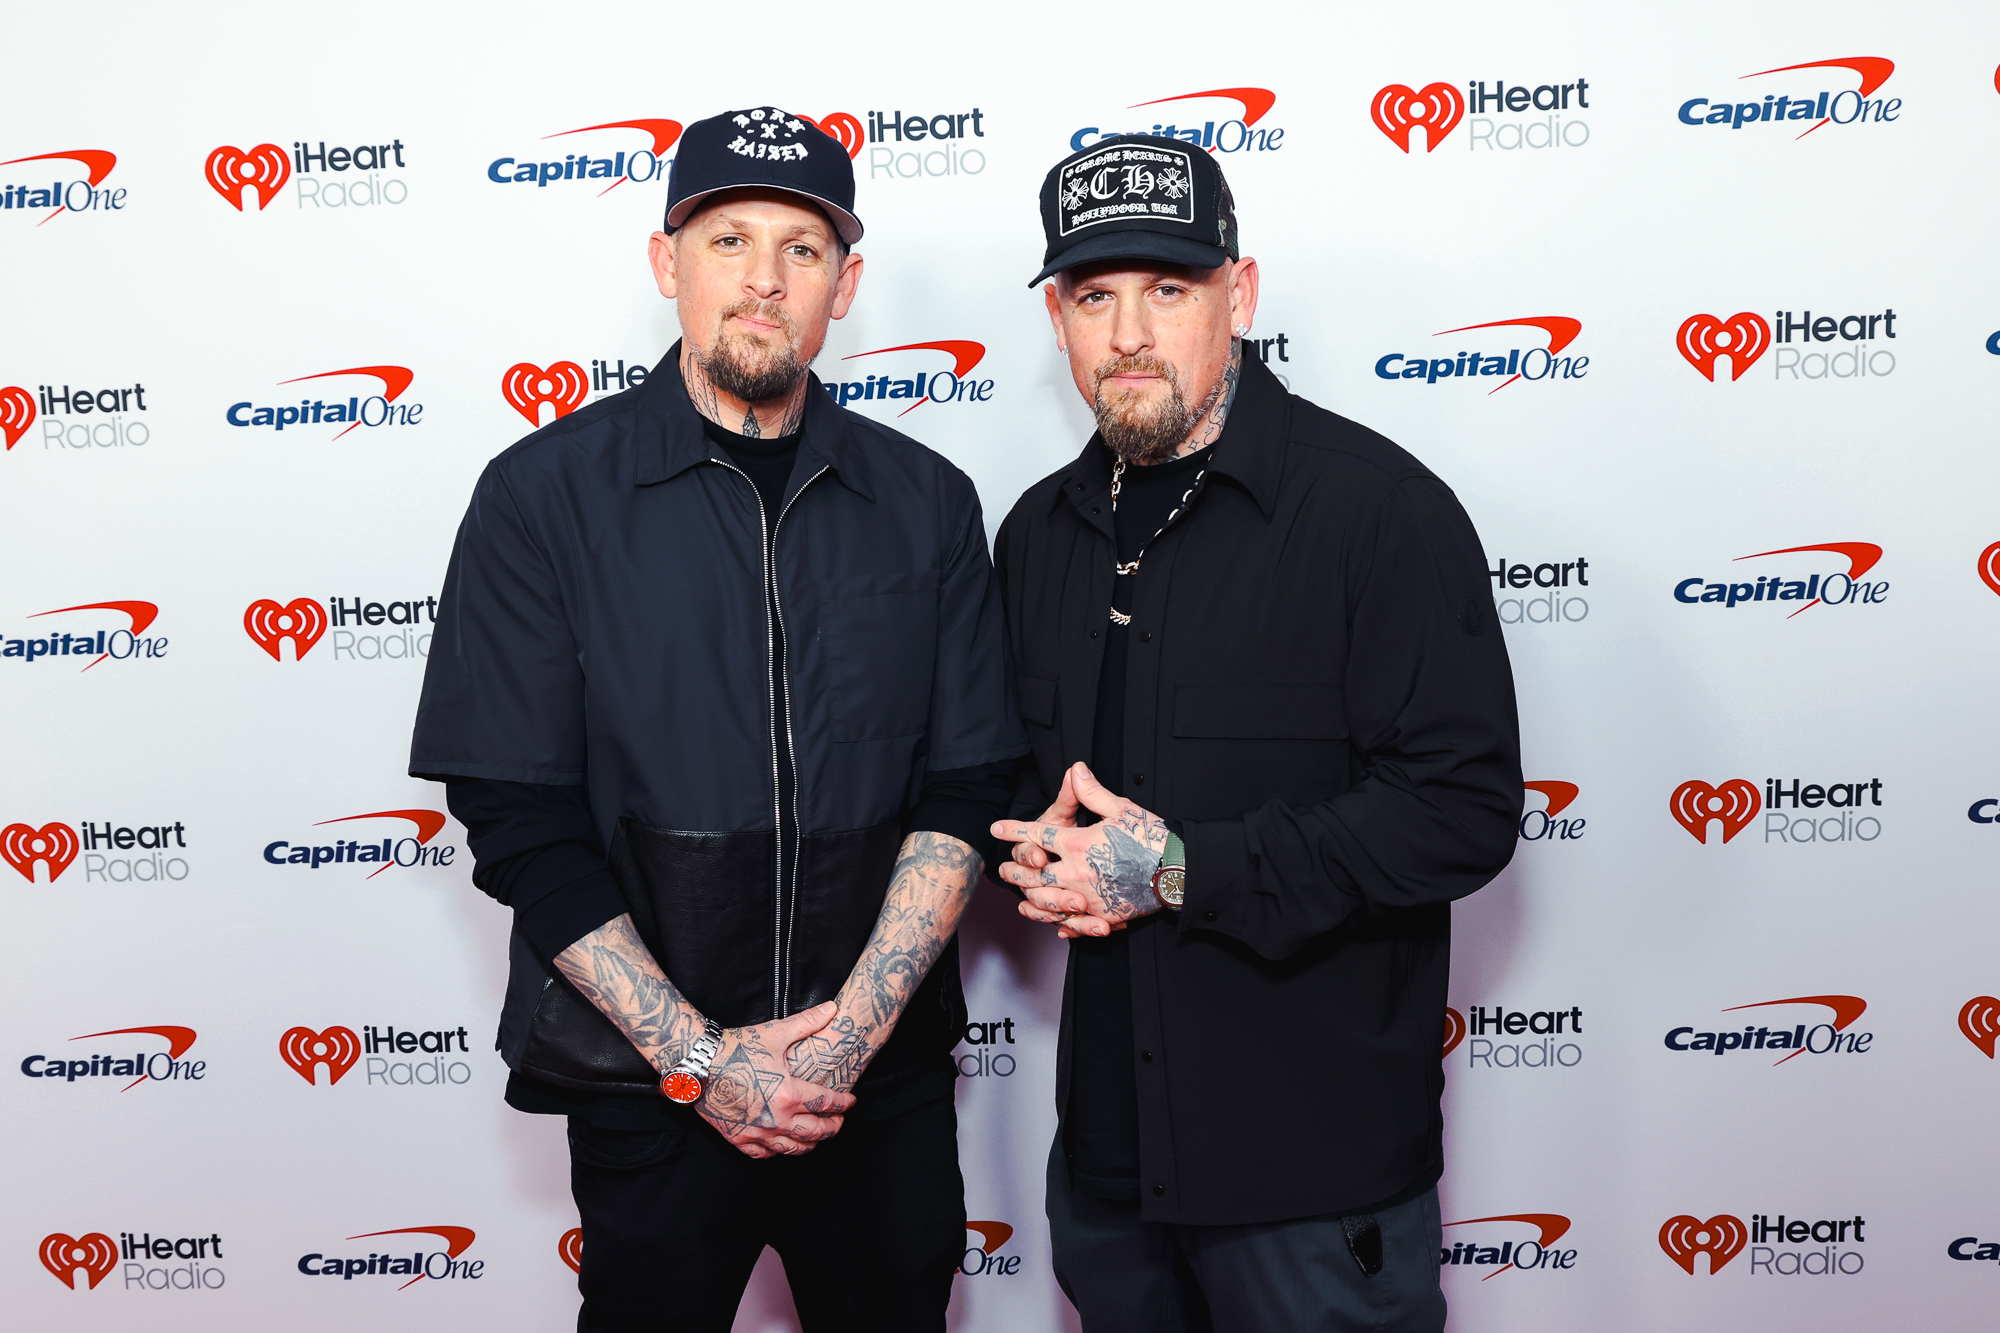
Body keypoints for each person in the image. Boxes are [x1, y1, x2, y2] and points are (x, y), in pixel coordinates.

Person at [409, 106, 1024, 1332]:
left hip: (876, 1087)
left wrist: (841, 1043)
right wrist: (702, 1059)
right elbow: (516, 813)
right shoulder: (541, 495)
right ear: (666, 263)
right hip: (649, 1086)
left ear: (844, 285)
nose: (763, 278)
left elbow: (966, 784)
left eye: (802, 248)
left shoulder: (926, 500)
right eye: (727, 239)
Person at [988, 135, 1523, 1332]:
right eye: (1093, 297)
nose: (1129, 333)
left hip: (1311, 1181)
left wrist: (1177, 866)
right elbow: (1025, 794)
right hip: (1110, 1174)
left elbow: (1460, 811)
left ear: (1239, 295)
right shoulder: (1037, 533)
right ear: (1056, 320)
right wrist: (1024, 845)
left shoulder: (1377, 512)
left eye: (1168, 290)